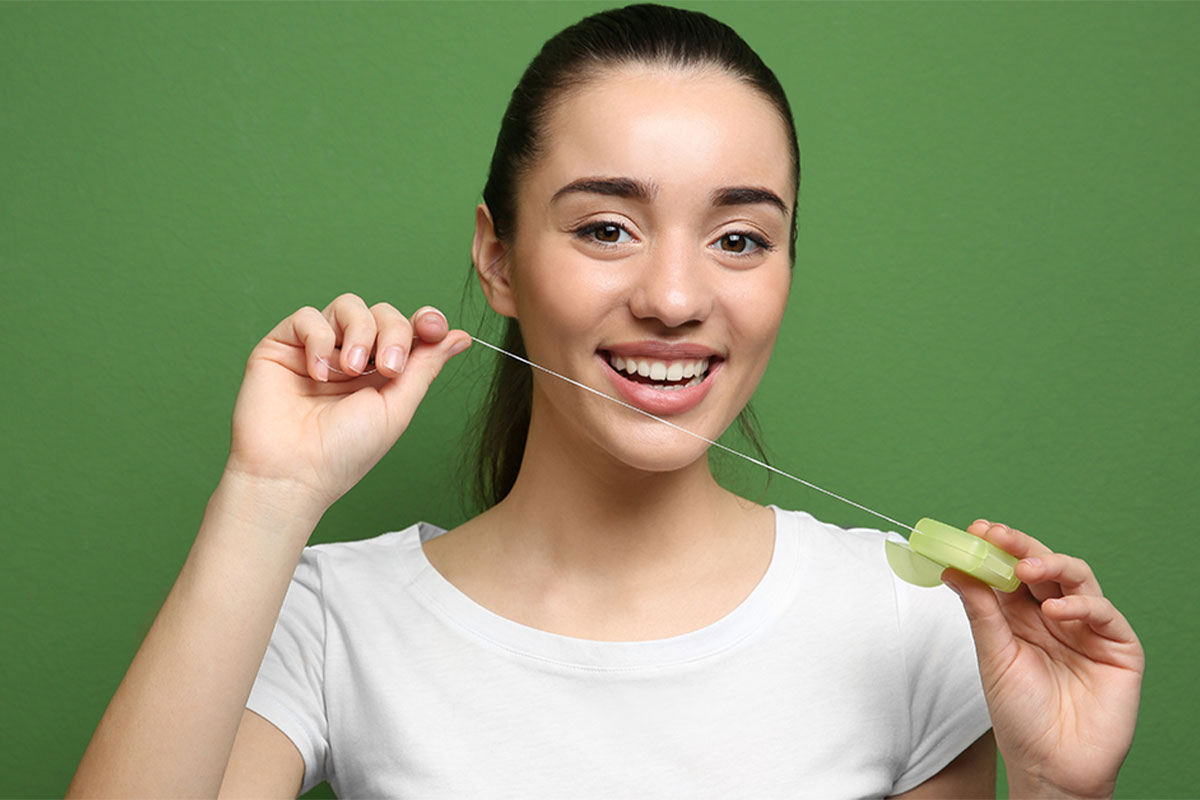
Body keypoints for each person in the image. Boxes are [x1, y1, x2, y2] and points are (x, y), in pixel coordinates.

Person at [67, 4, 1143, 798]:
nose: (675, 296)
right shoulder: (329, 619)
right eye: (604, 227)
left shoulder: (911, 622)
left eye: (740, 238)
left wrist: (1057, 788)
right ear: (497, 258)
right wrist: (269, 488)